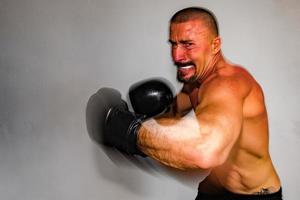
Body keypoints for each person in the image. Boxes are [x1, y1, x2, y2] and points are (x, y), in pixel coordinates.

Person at [87, 6, 282, 200]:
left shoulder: (228, 85)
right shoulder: (194, 84)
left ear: (215, 45)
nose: (177, 56)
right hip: (213, 189)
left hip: (254, 195)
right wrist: (142, 120)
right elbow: (169, 120)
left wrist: (131, 132)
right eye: (174, 44)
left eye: (188, 44)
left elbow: (205, 152)